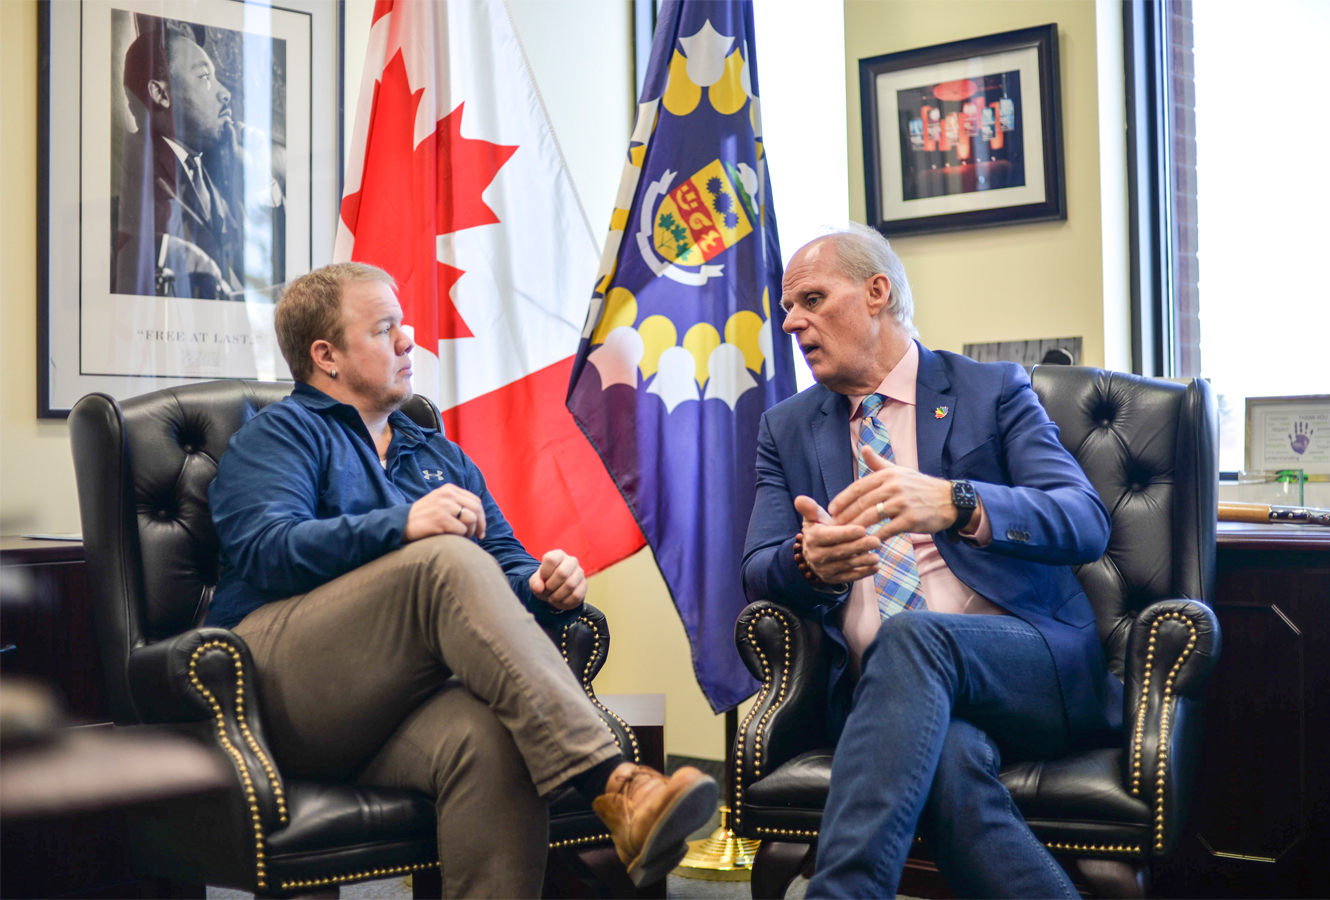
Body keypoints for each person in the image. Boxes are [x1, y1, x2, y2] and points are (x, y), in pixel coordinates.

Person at [207, 262, 716, 897]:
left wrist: (542, 585)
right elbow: (264, 548)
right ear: (326, 356)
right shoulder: (281, 433)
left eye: (406, 325)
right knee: (442, 559)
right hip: (280, 688)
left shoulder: (438, 455)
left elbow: (503, 560)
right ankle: (617, 785)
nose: (408, 341)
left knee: (494, 741)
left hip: (392, 706)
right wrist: (403, 526)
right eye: (385, 328)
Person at [741, 225, 1118, 898]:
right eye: (788, 308)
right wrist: (808, 560)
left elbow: (1084, 520)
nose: (792, 321)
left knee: (914, 636)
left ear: (877, 292)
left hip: (1026, 668)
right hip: (887, 698)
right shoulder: (788, 427)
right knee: (949, 765)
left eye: (812, 299)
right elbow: (758, 568)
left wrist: (959, 503)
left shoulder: (990, 391)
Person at [115, 25, 264, 299]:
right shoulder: (131, 173)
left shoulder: (202, 171)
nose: (225, 94)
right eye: (205, 76)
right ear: (161, 94)